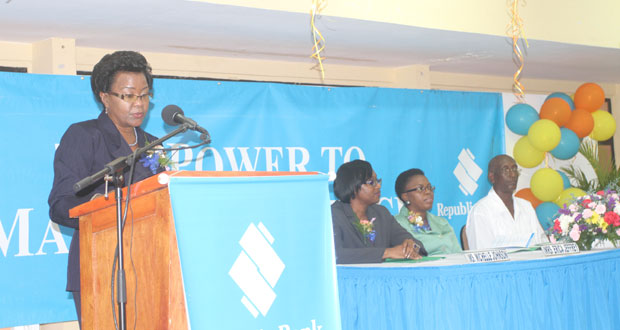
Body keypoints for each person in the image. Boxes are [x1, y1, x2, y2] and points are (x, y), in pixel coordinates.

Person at [48, 51, 164, 325]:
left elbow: (164, 198)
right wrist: (101, 203)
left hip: (151, 263)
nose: (139, 104)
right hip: (101, 266)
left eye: (145, 94)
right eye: (128, 95)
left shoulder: (154, 143)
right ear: (104, 97)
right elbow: (60, 204)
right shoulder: (84, 135)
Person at [331, 159, 427, 264]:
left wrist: (411, 245)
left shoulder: (381, 213)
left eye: (378, 181)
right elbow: (335, 255)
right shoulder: (334, 215)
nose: (378, 186)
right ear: (353, 186)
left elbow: (417, 245)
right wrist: (386, 253)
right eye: (371, 182)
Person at [465, 154, 548, 250]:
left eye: (514, 169)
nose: (513, 175)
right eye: (506, 170)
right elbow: (482, 255)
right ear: (492, 177)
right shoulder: (481, 211)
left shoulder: (526, 206)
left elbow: (543, 244)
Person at [394, 168, 462, 255]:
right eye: (420, 188)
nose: (428, 192)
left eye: (429, 187)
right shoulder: (397, 225)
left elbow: (459, 255)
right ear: (405, 196)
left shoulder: (442, 222)